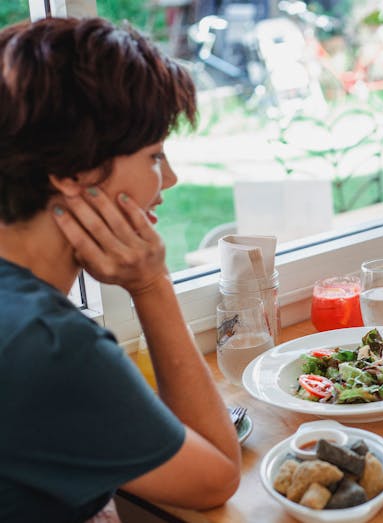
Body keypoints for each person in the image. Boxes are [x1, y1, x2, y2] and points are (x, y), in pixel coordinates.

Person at [0, 17, 241, 522]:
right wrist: (152, 285)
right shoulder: (48, 346)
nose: (169, 179)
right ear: (73, 174)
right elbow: (217, 477)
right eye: (155, 154)